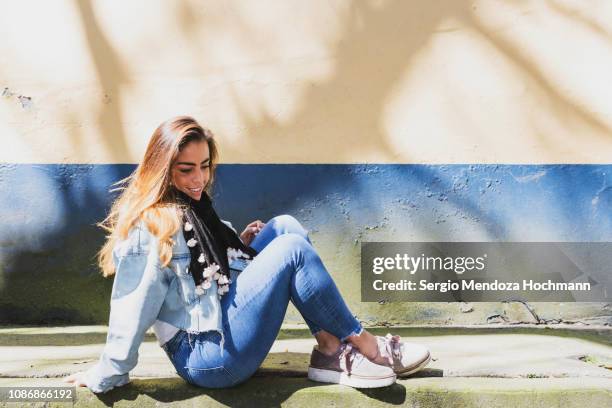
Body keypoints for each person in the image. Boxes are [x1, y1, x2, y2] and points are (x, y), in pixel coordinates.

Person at [64, 116, 430, 393]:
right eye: (186, 169)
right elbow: (133, 305)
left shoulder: (198, 211)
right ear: (163, 169)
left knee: (284, 227)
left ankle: (330, 348)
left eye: (205, 166)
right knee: (290, 251)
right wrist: (108, 372)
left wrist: (238, 245)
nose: (198, 179)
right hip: (206, 356)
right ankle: (366, 346)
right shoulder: (153, 226)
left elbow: (208, 276)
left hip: (221, 324)